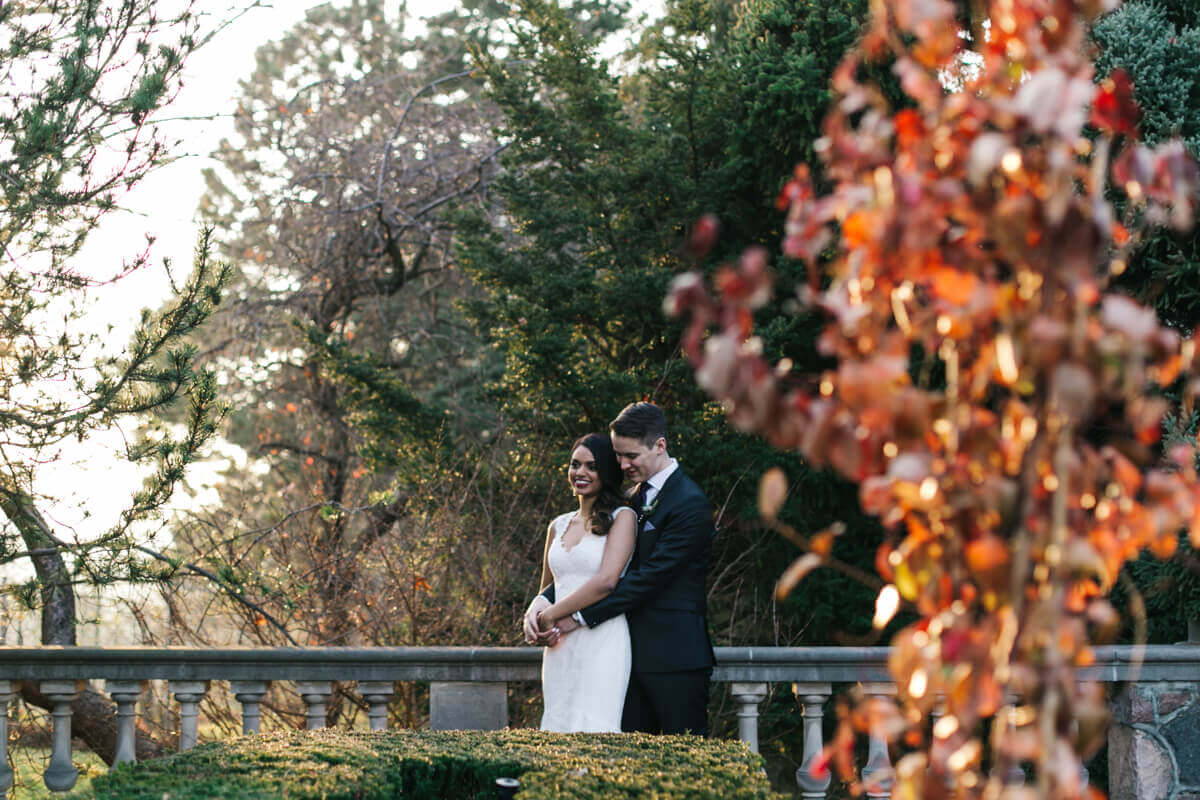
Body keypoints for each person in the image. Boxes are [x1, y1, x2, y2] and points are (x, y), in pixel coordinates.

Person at [528, 402, 716, 736]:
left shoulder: (689, 503)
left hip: (674, 657)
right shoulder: (630, 499)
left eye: (631, 456)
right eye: (618, 456)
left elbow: (647, 580)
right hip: (626, 654)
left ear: (660, 446)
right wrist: (540, 603)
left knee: (681, 768)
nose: (623, 464)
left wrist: (580, 617)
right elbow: (583, 567)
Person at [527, 432, 637, 732]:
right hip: (559, 645)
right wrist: (533, 616)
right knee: (558, 726)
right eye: (575, 465)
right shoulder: (558, 525)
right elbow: (547, 589)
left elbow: (606, 581)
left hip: (601, 638)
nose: (581, 473)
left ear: (607, 472)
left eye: (592, 466)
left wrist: (551, 615)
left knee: (594, 726)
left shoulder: (623, 517)